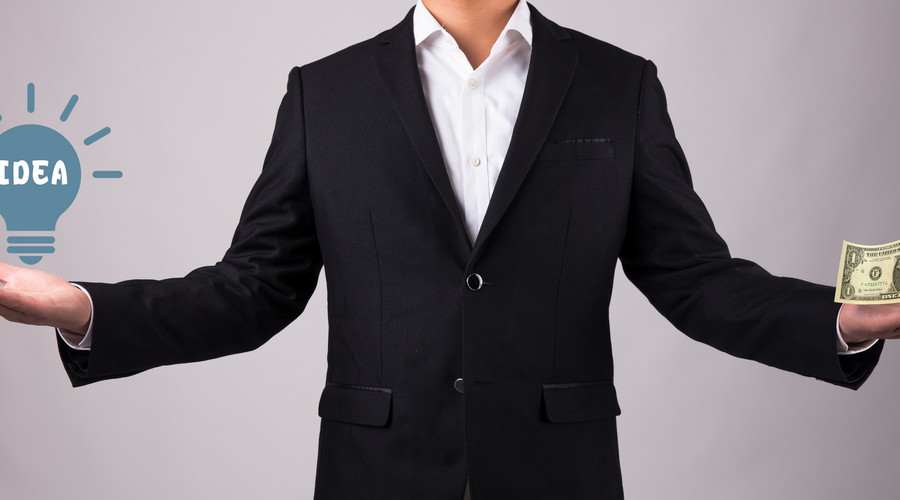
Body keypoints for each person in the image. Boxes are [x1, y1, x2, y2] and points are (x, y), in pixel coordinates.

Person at [1, 1, 899, 498]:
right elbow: (253, 290)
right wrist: (83, 308)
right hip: (375, 477)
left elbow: (696, 279)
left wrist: (846, 319)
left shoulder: (617, 85)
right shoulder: (325, 94)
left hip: (560, 476)